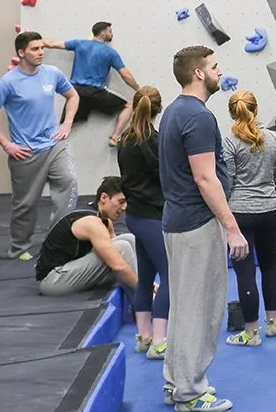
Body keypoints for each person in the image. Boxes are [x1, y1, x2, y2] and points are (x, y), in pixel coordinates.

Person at [159, 46, 246, 412]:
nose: (218, 70)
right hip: (196, 225)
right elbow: (205, 178)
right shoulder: (197, 116)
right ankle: (191, 394)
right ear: (198, 74)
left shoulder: (173, 111)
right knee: (201, 310)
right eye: (213, 66)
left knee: (183, 307)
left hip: (177, 222)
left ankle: (176, 383)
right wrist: (232, 227)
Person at [0, 31, 81, 260]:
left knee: (70, 182)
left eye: (42, 48)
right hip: (25, 154)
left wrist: (67, 124)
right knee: (25, 206)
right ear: (21, 53)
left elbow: (73, 96)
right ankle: (19, 247)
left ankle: (57, 240)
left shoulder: (52, 73)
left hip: (55, 146)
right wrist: (7, 145)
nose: (41, 52)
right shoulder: (7, 83)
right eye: (35, 49)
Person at [222, 91, 276, 347]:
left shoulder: (229, 142)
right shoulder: (273, 139)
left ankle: (251, 333)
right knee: (269, 266)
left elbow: (226, 182)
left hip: (240, 213)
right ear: (257, 108)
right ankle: (273, 323)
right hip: (268, 212)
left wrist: (225, 216)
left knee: (245, 272)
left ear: (232, 112)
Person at [117, 86, 171, 359]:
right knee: (170, 275)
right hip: (152, 216)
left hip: (135, 216)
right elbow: (164, 176)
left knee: (146, 276)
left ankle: (144, 336)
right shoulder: (152, 141)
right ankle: (160, 340)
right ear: (158, 110)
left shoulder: (125, 139)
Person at [35, 175, 137, 295]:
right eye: (121, 202)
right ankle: (145, 296)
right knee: (122, 247)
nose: (124, 207)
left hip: (70, 269)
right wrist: (146, 288)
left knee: (129, 239)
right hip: (53, 280)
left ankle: (141, 286)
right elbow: (118, 265)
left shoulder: (104, 220)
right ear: (104, 197)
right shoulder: (92, 223)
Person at [42, 21, 140, 146]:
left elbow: (51, 44)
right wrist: (138, 89)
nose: (112, 34)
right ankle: (115, 137)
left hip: (75, 93)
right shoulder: (110, 53)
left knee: (64, 127)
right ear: (103, 34)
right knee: (129, 105)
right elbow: (125, 75)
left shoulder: (79, 44)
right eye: (110, 31)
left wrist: (28, 38)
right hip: (95, 92)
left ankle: (47, 144)